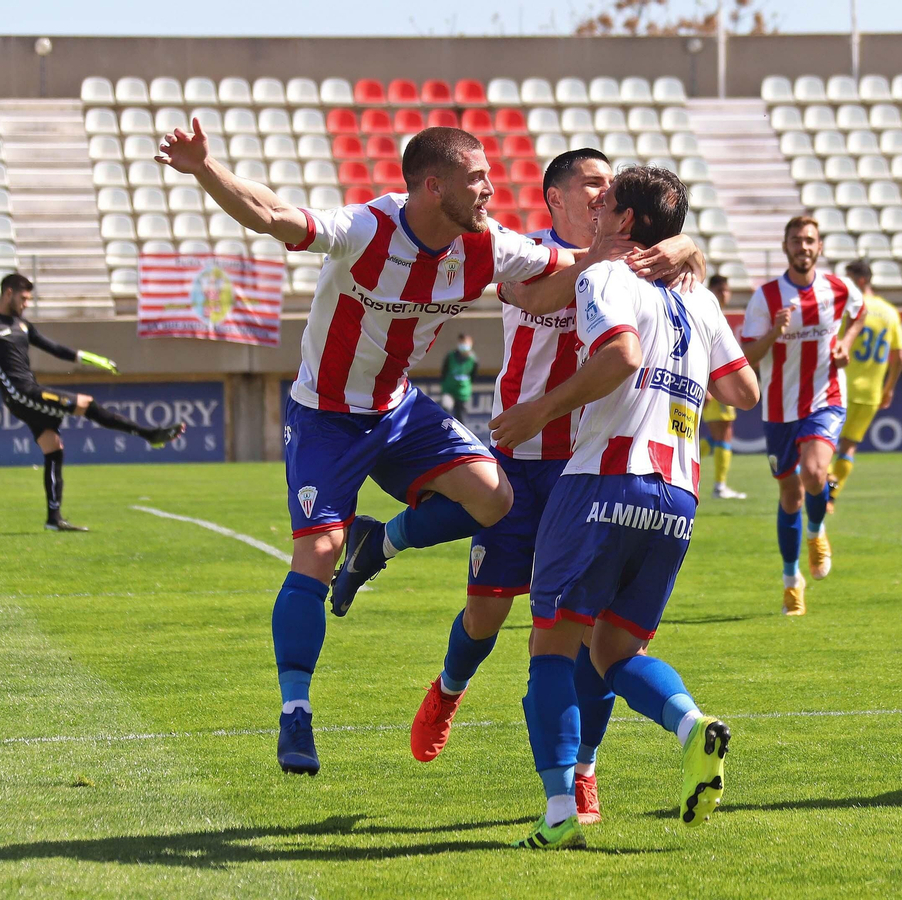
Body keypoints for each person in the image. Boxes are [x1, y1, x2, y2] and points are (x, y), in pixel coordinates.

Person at [155, 122, 682, 777]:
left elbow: (579, 263)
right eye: (476, 179)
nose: (491, 188)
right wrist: (206, 169)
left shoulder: (486, 245)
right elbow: (269, 214)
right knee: (317, 551)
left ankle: (380, 542)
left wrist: (679, 243)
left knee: (493, 497)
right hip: (326, 417)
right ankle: (296, 712)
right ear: (434, 187)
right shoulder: (365, 229)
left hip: (399, 410)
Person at [410, 149, 704, 829]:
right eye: (590, 184)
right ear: (557, 200)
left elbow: (690, 286)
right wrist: (617, 255)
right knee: (484, 618)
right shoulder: (527, 253)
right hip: (523, 459)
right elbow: (530, 296)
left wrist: (682, 248)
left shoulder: (640, 262)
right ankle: (450, 688)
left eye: (610, 185)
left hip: (591, 466)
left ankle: (583, 774)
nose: (603, 192)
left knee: (582, 634)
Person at [489, 165, 760, 850]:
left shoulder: (606, 276)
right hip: (679, 497)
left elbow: (619, 356)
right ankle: (691, 726)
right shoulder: (697, 297)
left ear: (628, 222)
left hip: (603, 481)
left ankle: (558, 810)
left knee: (550, 642)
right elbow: (744, 392)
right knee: (615, 648)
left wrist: (539, 410)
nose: (596, 207)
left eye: (606, 201)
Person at [0, 273, 185, 532]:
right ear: (8, 293)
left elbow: (54, 348)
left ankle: (54, 519)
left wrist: (91, 358)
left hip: (29, 393)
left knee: (53, 447)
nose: (26, 303)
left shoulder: (22, 325)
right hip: (21, 394)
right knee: (86, 403)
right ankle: (149, 434)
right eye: (24, 298)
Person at [739, 216, 865, 616]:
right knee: (789, 495)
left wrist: (845, 342)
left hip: (825, 398)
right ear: (786, 247)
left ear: (820, 247)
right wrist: (775, 333)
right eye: (796, 241)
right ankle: (792, 580)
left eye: (810, 240)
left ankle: (816, 531)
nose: (803, 247)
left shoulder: (837, 287)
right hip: (779, 409)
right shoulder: (766, 297)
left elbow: (860, 312)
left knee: (813, 473)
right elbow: (747, 357)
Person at [827, 259, 902, 512]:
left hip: (843, 386)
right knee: (849, 447)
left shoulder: (852, 307)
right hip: (871, 393)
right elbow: (900, 355)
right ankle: (832, 497)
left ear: (860, 281)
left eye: (849, 279)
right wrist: (889, 388)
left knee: (825, 441)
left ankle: (823, 486)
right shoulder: (890, 312)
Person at [700, 273, 746, 500]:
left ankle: (719, 483)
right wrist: (707, 387)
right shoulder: (709, 314)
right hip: (715, 385)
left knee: (718, 436)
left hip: (715, 384)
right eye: (723, 290)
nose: (727, 295)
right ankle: (720, 486)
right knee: (724, 434)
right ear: (716, 291)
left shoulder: (713, 313)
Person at [439, 334, 478, 423]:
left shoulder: (473, 359)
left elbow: (473, 375)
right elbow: (444, 371)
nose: (464, 345)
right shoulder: (450, 356)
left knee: (461, 416)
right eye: (462, 342)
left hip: (463, 392)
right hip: (449, 389)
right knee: (446, 411)